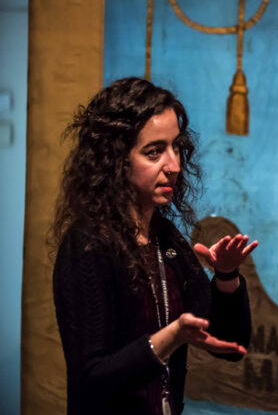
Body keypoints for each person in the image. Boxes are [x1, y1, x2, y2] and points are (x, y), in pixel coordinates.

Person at [51, 77, 257, 415]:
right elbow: (92, 377)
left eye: (176, 147)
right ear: (115, 159)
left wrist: (226, 276)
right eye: (154, 152)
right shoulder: (88, 245)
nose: (174, 165)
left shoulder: (167, 239)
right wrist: (171, 337)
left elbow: (231, 347)